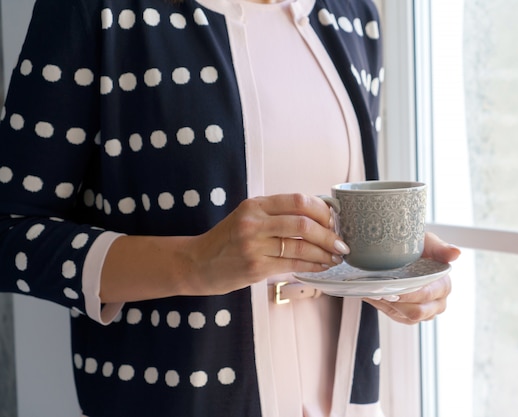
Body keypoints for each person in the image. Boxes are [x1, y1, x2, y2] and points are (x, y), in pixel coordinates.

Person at [0, 0, 460, 416]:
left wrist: (396, 264)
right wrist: (193, 263)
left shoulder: (352, 15)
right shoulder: (95, 10)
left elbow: (336, 209)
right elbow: (10, 232)